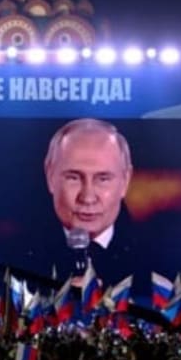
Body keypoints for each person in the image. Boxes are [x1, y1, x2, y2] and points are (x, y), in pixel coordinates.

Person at [42, 118, 146, 291]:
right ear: (50, 176)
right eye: (73, 178)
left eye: (103, 179)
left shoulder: (158, 262)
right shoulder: (12, 258)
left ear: (126, 180)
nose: (88, 198)